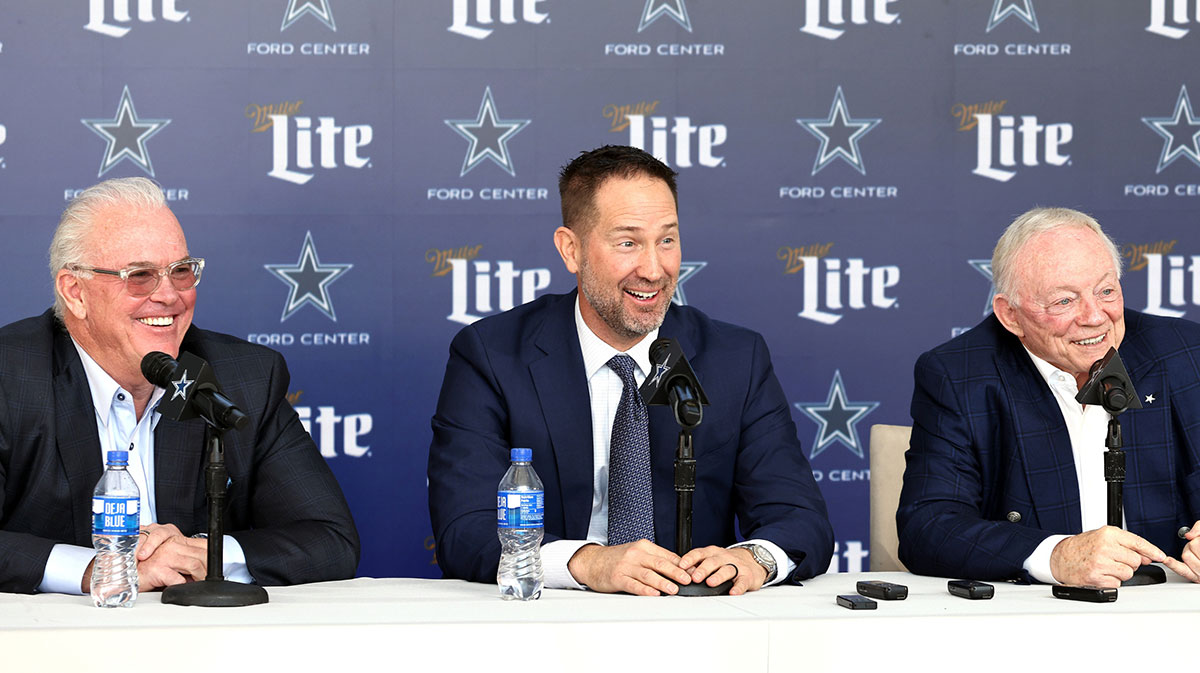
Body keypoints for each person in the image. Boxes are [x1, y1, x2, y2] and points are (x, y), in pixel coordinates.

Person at [428, 145, 833, 596]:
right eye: (628, 243)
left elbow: (800, 519)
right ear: (571, 250)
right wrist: (587, 562)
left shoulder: (735, 357)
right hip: (549, 623)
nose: (654, 269)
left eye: (667, 240)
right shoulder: (492, 355)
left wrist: (752, 558)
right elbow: (465, 529)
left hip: (692, 628)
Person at [0, 177, 359, 595]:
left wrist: (203, 554)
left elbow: (330, 539)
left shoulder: (244, 377)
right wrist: (100, 570)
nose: (169, 296)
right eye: (140, 276)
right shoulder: (11, 374)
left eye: (181, 271)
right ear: (76, 292)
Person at [897, 207, 1200, 587]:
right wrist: (1055, 556)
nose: (1094, 317)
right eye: (1064, 301)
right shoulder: (959, 375)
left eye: (1106, 291)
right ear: (1011, 316)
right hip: (1033, 619)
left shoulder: (1186, 354)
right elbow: (927, 528)